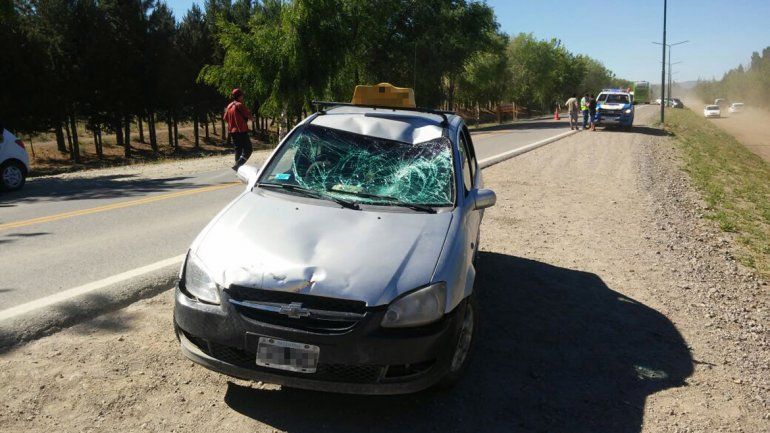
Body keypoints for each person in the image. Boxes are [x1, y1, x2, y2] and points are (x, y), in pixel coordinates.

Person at [223, 88, 254, 170]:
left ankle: (238, 168)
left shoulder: (229, 106)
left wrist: (232, 122)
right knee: (248, 149)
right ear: (239, 96)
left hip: (232, 131)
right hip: (241, 130)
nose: (243, 97)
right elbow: (249, 116)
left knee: (238, 149)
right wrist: (251, 118)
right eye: (242, 95)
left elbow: (225, 118)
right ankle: (238, 164)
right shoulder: (239, 105)